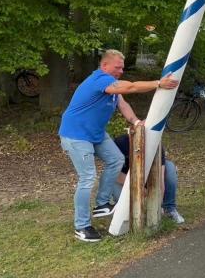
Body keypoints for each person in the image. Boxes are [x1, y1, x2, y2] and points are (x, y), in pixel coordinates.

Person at [58, 49, 178, 242]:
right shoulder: (99, 80)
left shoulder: (111, 88)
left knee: (116, 159)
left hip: (96, 134)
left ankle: (102, 204)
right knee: (87, 177)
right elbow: (130, 88)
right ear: (105, 66)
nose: (121, 71)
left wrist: (136, 121)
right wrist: (158, 84)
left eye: (122, 67)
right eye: (117, 67)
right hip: (76, 136)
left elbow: (123, 103)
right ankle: (81, 226)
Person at [111, 135, 184, 224]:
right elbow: (116, 174)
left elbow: (161, 179)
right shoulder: (120, 144)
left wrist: (158, 202)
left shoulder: (156, 145)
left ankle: (169, 208)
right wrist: (140, 188)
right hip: (124, 179)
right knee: (112, 180)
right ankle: (120, 208)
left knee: (170, 168)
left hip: (146, 176)